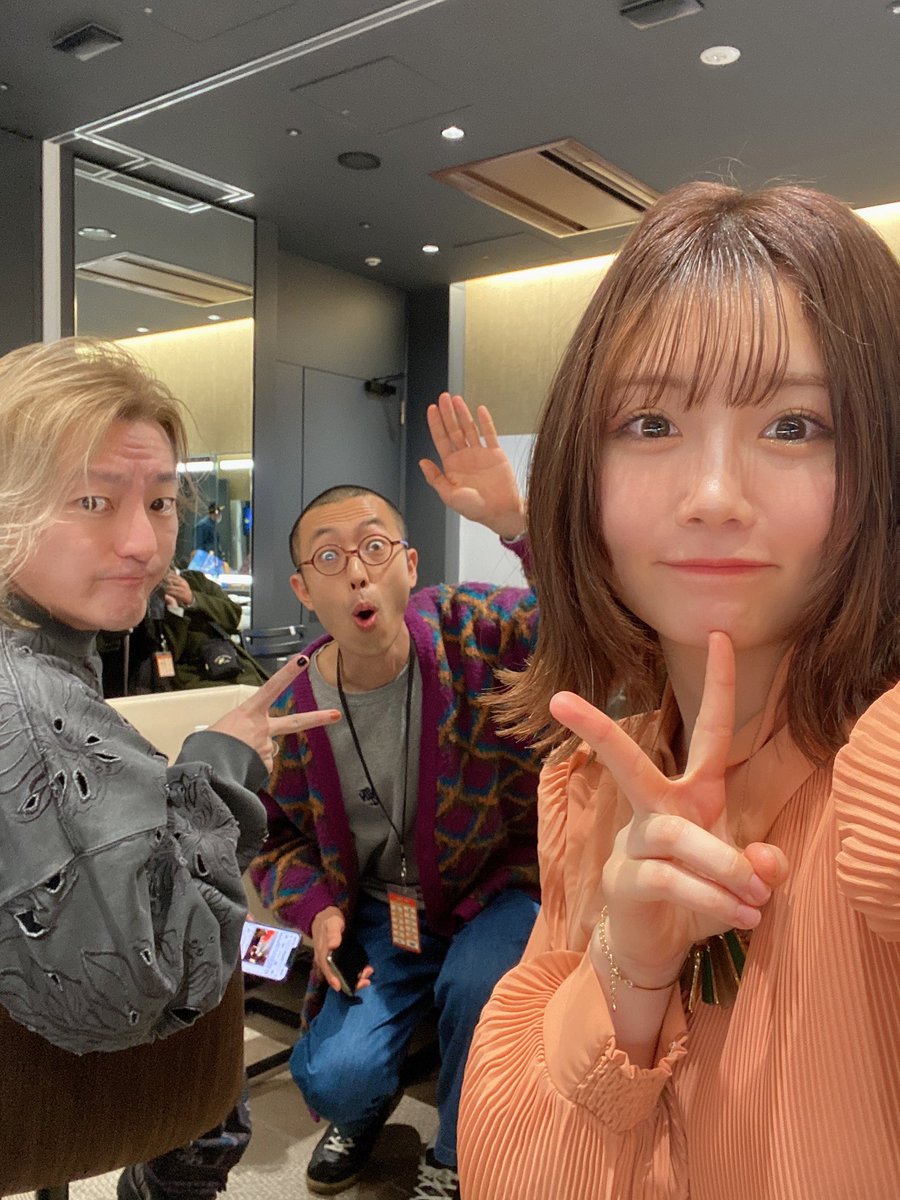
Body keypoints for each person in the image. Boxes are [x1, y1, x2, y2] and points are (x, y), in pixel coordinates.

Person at [456, 181, 900, 1200]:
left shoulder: (878, 773)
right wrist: (629, 971)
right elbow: (511, 1174)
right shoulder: (585, 790)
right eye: (650, 421)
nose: (711, 497)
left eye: (796, 425)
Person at [0, 337, 338, 1198]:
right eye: (93, 499)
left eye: (159, 502)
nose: (143, 543)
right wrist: (221, 766)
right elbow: (144, 983)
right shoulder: (29, 704)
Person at [250, 394, 542, 1199]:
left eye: (375, 547)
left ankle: (457, 1154)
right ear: (302, 589)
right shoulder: (290, 708)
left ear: (409, 565)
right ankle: (368, 1103)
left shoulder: (475, 631)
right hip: (384, 910)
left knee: (480, 988)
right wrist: (318, 911)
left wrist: (518, 526)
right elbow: (272, 839)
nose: (357, 570)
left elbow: (588, 620)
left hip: (496, 889)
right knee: (337, 1077)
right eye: (329, 557)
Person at [98, 566, 267, 696]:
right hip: (193, 676)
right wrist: (175, 612)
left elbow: (233, 615)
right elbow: (169, 651)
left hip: (231, 662)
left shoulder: (197, 580)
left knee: (262, 689)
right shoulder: (148, 597)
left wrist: (193, 599)